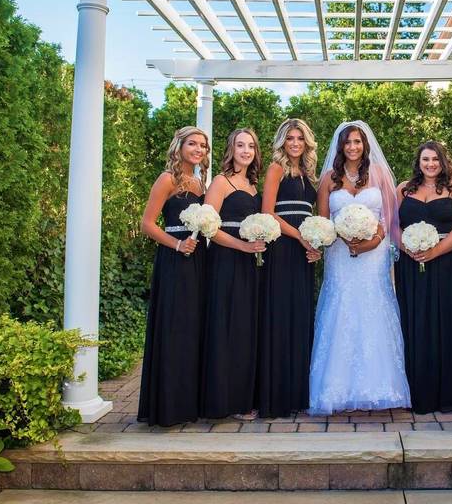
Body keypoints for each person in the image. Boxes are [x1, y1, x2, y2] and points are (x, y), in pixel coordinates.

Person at [308, 121, 410, 414]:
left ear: (365, 145)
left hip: (374, 254)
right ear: (340, 147)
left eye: (357, 142)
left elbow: (391, 220)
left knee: (373, 308)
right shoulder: (329, 178)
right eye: (347, 142)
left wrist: (372, 240)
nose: (353, 147)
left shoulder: (378, 174)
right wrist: (344, 236)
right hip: (340, 254)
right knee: (341, 309)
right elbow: (324, 221)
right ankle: (336, 390)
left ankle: (380, 388)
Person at [137, 126, 209, 427]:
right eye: (192, 143)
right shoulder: (167, 179)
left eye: (203, 146)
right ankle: (168, 407)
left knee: (193, 329)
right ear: (179, 146)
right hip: (175, 259)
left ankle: (188, 403)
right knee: (174, 328)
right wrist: (178, 244)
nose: (198, 149)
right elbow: (147, 224)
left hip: (199, 260)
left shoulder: (201, 182)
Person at [395, 141, 452, 413]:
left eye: (435, 159)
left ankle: (450, 394)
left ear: (443, 161)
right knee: (416, 321)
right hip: (411, 262)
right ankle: (418, 392)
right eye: (425, 159)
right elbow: (393, 225)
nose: (430, 164)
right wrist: (408, 248)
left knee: (448, 321)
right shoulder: (404, 189)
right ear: (418, 162)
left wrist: (436, 251)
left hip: (449, 262)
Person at [201, 128, 266, 420]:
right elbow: (208, 227)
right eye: (240, 145)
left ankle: (243, 398)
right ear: (231, 149)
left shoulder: (253, 186)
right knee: (226, 327)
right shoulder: (221, 182)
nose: (246, 150)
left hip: (250, 265)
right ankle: (222, 401)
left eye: (250, 146)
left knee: (244, 328)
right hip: (226, 261)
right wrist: (242, 245)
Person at [259, 119, 321, 418]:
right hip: (283, 248)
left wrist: (316, 246)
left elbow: (316, 216)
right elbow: (268, 213)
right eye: (290, 138)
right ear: (282, 141)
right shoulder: (276, 170)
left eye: (300, 138)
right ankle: (277, 395)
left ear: (306, 142)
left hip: (304, 253)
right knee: (280, 316)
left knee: (301, 316)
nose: (295, 143)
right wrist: (301, 237)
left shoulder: (311, 175)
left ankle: (298, 393)